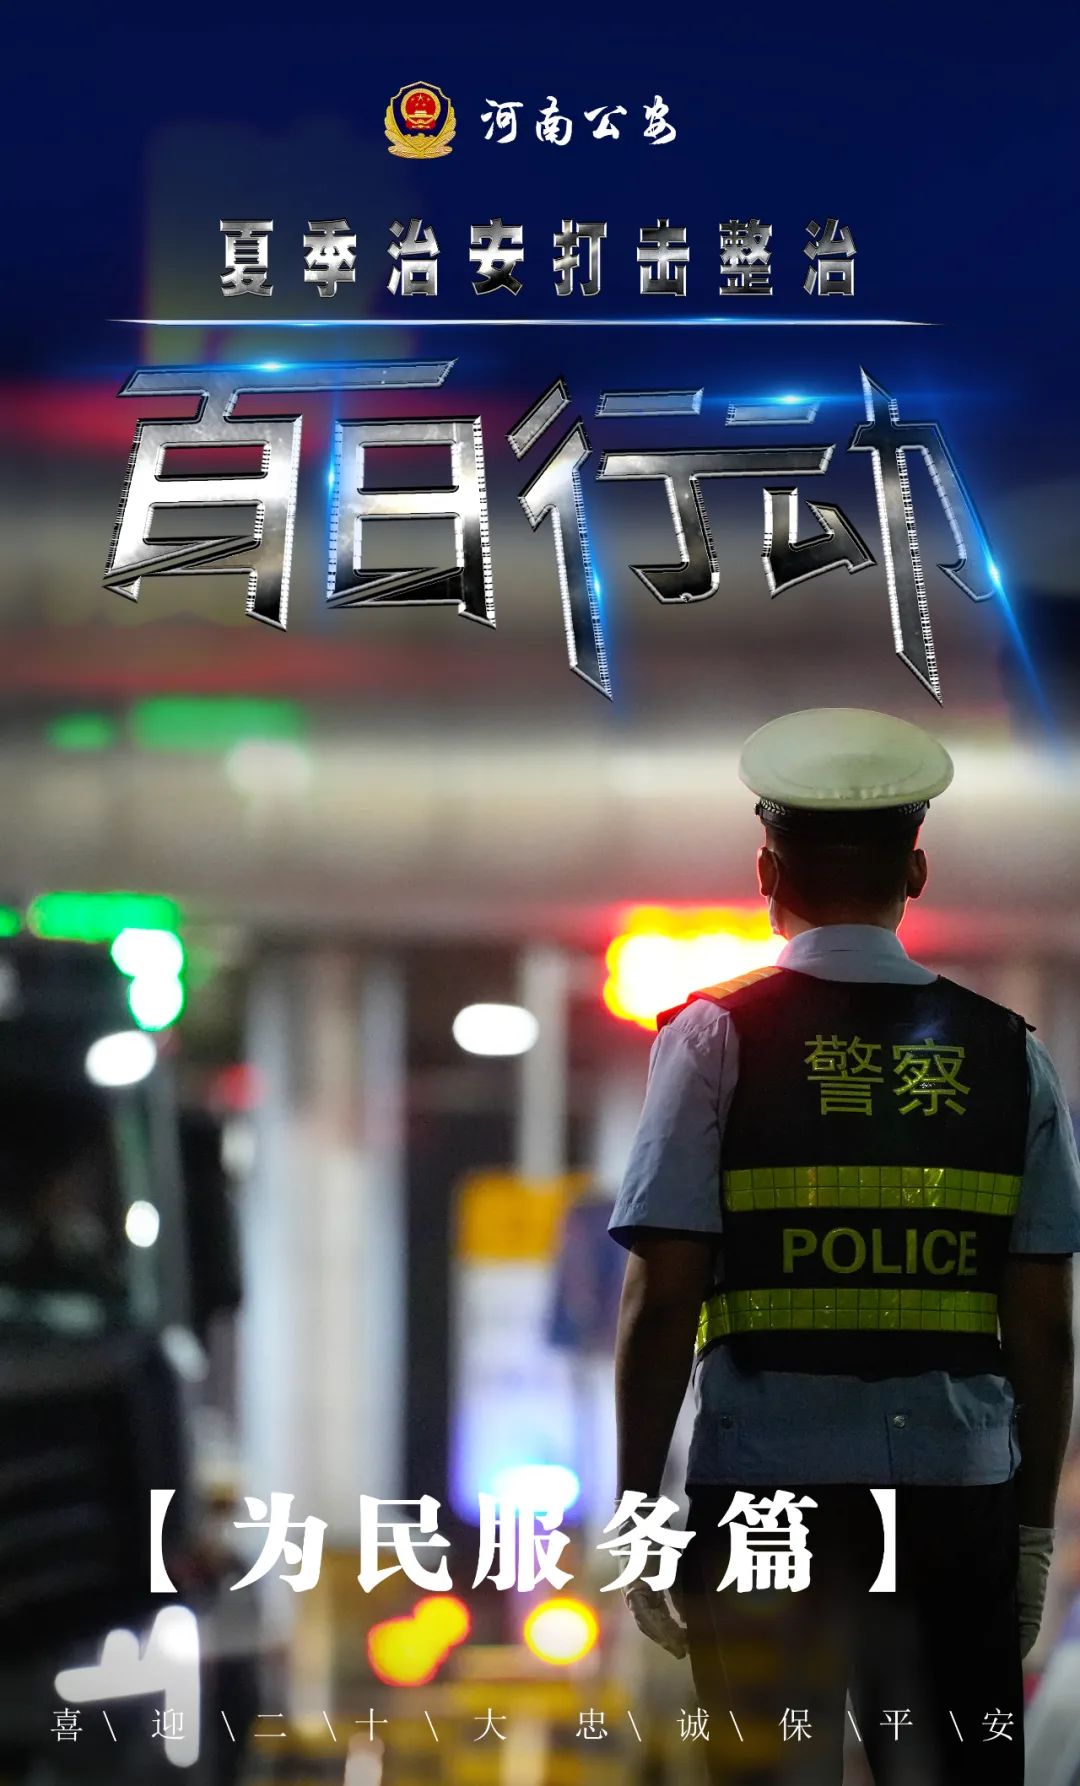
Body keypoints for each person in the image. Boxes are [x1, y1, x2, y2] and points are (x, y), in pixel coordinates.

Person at [608, 708, 1080, 1785]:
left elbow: (661, 1302)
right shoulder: (1010, 1057)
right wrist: (1025, 1538)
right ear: (916, 869)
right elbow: (1045, 1330)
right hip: (956, 1506)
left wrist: (640, 1518)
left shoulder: (712, 1040)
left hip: (769, 1508)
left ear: (766, 873)